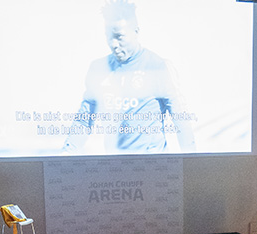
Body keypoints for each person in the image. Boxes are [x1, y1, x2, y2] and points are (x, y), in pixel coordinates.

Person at [63, 0, 194, 154]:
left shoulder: (158, 66)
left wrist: (193, 163)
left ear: (136, 32)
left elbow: (181, 121)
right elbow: (84, 120)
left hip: (153, 168)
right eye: (109, 36)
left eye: (119, 37)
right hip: (114, 168)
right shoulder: (98, 68)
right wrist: (65, 153)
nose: (113, 44)